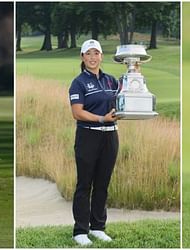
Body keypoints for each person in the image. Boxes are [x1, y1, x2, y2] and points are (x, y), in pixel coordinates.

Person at [68, 39, 120, 246]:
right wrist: (101, 119)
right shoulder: (79, 82)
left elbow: (120, 104)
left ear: (101, 56)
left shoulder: (111, 80)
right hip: (88, 136)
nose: (92, 57)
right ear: (82, 57)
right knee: (84, 184)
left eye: (96, 53)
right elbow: (77, 112)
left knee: (102, 184)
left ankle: (98, 227)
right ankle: (80, 230)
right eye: (88, 53)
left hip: (110, 136)